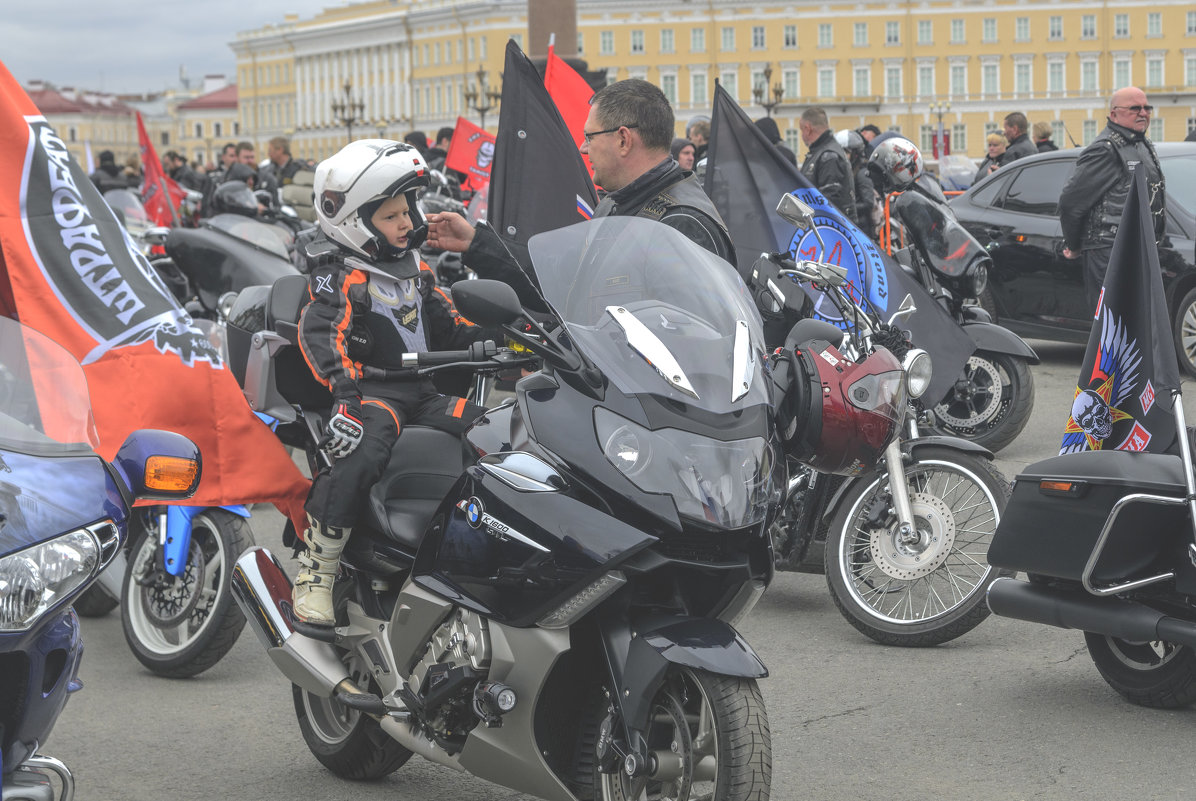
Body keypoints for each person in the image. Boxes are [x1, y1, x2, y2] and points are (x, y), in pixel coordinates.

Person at [290, 139, 491, 627]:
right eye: (392, 216)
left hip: (425, 394)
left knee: (495, 431)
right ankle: (317, 570)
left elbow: (450, 328)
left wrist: (509, 337)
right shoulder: (341, 278)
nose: (407, 222)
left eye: (408, 211)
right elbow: (319, 336)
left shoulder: (417, 269)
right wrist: (343, 397)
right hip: (373, 396)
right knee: (360, 452)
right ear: (354, 221)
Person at [425, 78, 735, 306]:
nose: (584, 149)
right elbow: (563, 280)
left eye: (590, 137)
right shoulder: (616, 203)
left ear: (624, 140)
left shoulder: (682, 223)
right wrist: (476, 243)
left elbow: (690, 344)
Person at [1059, 86, 1166, 313]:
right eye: (1135, 108)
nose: (1143, 113)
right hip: (1109, 250)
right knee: (1113, 326)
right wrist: (1074, 244)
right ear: (1114, 113)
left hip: (1138, 247)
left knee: (1137, 326)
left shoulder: (1141, 143)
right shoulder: (1105, 150)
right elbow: (1071, 202)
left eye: (1147, 107)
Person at [799, 107, 857, 223]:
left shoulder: (828, 156)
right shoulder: (821, 152)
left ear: (808, 128)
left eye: (801, 130)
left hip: (830, 230)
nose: (801, 135)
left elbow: (829, 201)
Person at [835, 129, 880, 237]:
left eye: (846, 152)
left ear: (855, 154)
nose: (841, 156)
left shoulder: (861, 173)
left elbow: (868, 203)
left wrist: (844, 208)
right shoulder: (844, 171)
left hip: (861, 228)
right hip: (848, 225)